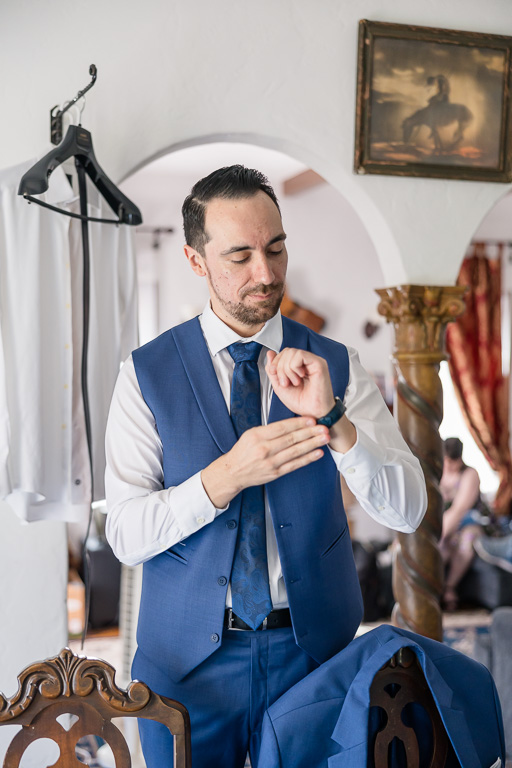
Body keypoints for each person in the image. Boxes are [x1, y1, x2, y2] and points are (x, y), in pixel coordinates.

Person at [104, 165, 427, 768]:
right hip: (184, 671)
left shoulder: (338, 364)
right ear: (196, 261)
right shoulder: (143, 374)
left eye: (276, 248)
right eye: (240, 256)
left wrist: (334, 421)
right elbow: (123, 534)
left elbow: (407, 512)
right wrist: (224, 477)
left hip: (316, 658)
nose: (266, 272)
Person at [440, 437, 487, 610]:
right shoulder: (438, 472)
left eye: (453, 463)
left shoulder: (470, 474)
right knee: (442, 546)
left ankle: (449, 588)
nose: (450, 467)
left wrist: (441, 533)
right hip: (445, 523)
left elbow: (459, 509)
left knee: (465, 543)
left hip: (469, 521)